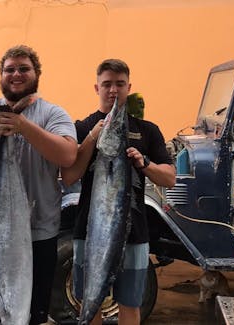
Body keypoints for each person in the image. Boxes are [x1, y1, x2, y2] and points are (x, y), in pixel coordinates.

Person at [0, 45, 78, 325]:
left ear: (36, 74)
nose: (16, 74)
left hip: (40, 235)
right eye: (9, 69)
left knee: (29, 315)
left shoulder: (53, 114)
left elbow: (68, 155)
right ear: (1, 75)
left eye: (23, 69)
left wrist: (22, 126)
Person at [61, 59, 175, 325]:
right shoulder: (81, 127)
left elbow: (170, 178)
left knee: (130, 303)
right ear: (96, 87)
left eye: (120, 84)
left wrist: (144, 163)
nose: (113, 90)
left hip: (134, 232)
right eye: (107, 84)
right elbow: (69, 176)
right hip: (88, 232)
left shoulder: (148, 130)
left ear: (129, 86)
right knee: (90, 301)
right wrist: (91, 137)